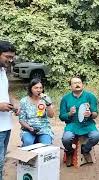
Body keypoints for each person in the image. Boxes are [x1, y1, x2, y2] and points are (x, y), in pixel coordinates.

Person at [59, 76, 99, 167]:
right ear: (70, 86)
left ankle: (85, 150)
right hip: (72, 124)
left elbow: (95, 114)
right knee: (66, 138)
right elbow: (61, 116)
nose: (77, 84)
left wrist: (90, 114)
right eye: (74, 83)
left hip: (87, 124)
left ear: (82, 85)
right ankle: (70, 152)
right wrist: (69, 114)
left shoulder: (90, 96)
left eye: (79, 82)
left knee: (96, 136)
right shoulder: (65, 99)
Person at [19, 78, 54, 146]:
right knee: (28, 142)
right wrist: (29, 128)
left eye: (41, 88)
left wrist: (48, 104)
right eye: (36, 88)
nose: (39, 90)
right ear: (31, 88)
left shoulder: (45, 99)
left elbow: (51, 115)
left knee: (46, 145)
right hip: (28, 129)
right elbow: (21, 120)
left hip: (44, 129)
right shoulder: (24, 101)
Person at [0, 40, 16, 180]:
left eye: (12, 57)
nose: (10, 60)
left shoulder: (3, 71)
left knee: (1, 160)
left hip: (6, 124)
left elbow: (6, 92)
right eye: (7, 56)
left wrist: (14, 103)